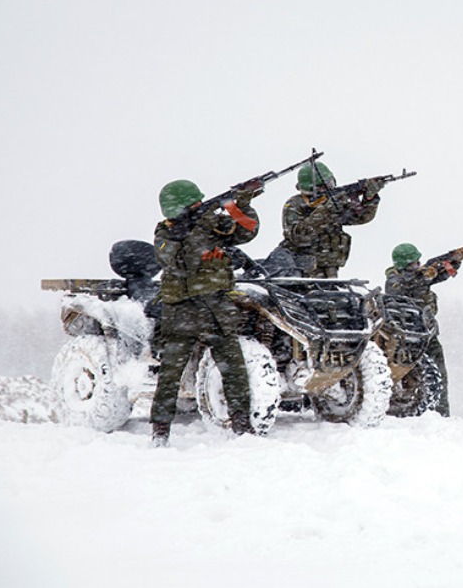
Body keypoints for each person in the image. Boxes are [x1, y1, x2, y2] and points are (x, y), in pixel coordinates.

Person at [149, 179, 261, 447]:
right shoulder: (165, 236)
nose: (202, 206)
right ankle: (160, 430)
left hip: (217, 310)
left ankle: (242, 426)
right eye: (196, 204)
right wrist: (200, 228)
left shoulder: (210, 224)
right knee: (170, 376)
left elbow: (247, 230)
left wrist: (240, 204)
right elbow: (183, 263)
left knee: (234, 370)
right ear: (178, 209)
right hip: (183, 313)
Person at [384, 242, 463, 416]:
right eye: (414, 263)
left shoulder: (420, 275)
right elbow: (400, 286)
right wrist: (423, 275)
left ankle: (441, 414)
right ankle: (414, 411)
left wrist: (455, 261)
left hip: (427, 334)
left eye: (418, 262)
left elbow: (441, 275)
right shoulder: (394, 279)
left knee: (439, 375)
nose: (418, 265)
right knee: (411, 376)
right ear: (403, 264)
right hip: (406, 338)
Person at [274, 161, 384, 278]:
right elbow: (299, 237)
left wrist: (369, 198)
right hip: (300, 268)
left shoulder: (331, 202)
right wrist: (326, 211)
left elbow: (360, 217)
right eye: (322, 187)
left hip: (329, 267)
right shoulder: (295, 204)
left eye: (330, 184)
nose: (329, 189)